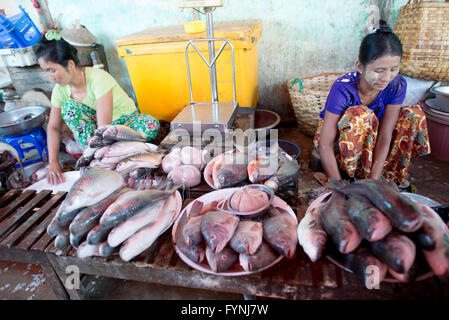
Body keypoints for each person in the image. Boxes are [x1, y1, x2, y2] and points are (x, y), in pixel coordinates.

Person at [313, 21, 431, 187]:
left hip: (373, 139)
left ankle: (382, 176)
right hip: (339, 143)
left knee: (413, 115)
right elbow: (325, 144)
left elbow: (385, 135)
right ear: (360, 66)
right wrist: (338, 187)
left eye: (393, 69)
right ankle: (350, 176)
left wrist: (374, 181)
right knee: (362, 115)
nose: (386, 78)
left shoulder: (396, 85)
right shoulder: (343, 88)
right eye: (379, 71)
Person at [36, 30, 160, 185]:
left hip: (123, 124)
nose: (50, 76)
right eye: (46, 71)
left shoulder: (98, 78)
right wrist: (53, 161)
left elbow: (104, 126)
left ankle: (105, 156)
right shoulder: (60, 90)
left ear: (70, 64)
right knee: (69, 108)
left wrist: (103, 150)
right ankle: (100, 156)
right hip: (98, 135)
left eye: (52, 70)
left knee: (150, 124)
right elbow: (53, 127)